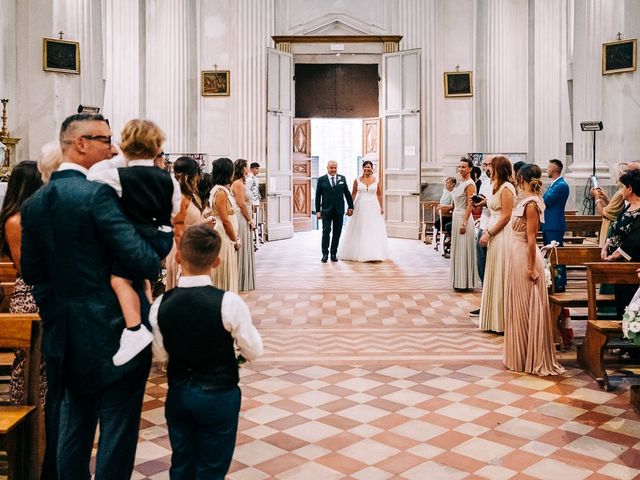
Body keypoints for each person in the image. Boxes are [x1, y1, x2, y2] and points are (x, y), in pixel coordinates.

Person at [21, 113, 162, 479]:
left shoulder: (34, 203)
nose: (113, 147)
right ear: (80, 143)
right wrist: (158, 237)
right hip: (115, 331)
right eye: (104, 139)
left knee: (73, 430)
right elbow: (142, 258)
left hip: (64, 337)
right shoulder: (97, 195)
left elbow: (34, 274)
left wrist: (58, 316)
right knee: (116, 432)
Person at [150, 224, 263, 478]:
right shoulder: (229, 303)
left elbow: (159, 354)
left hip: (179, 392)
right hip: (219, 393)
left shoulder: (161, 305)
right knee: (212, 466)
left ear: (179, 257)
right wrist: (237, 358)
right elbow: (254, 349)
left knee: (181, 462)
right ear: (217, 262)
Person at [87, 119, 180, 367]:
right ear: (156, 147)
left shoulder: (118, 175)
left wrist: (119, 159)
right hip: (163, 237)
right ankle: (151, 319)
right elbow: (175, 208)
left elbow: (93, 176)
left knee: (119, 279)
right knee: (141, 278)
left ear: (124, 145)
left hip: (140, 236)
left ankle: (134, 329)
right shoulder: (168, 179)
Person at [504, 164, 564, 376]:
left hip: (525, 256)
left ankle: (531, 356)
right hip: (516, 253)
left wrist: (531, 267)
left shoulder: (532, 204)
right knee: (518, 306)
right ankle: (520, 355)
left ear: (521, 178)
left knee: (526, 306)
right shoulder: (524, 200)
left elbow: (532, 238)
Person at [1, 162, 46, 406]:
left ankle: (44, 422)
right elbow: (25, 266)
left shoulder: (31, 216)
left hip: (39, 290)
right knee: (29, 364)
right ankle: (28, 421)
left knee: (43, 367)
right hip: (30, 294)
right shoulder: (15, 220)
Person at [478, 156, 516, 332]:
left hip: (502, 235)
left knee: (501, 273)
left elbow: (506, 215)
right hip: (493, 231)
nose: (488, 169)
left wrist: (490, 232)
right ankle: (493, 319)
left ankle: (502, 320)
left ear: (498, 169)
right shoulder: (497, 186)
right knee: (493, 272)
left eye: (490, 167)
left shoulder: (507, 188)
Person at [165, 156, 209, 291]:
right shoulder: (181, 198)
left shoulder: (190, 196)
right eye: (197, 173)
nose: (199, 177)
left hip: (191, 245)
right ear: (192, 175)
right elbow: (176, 227)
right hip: (182, 248)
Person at [601, 169, 640, 316]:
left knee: (630, 304)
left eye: (623, 186)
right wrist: (606, 246)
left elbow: (635, 239)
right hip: (618, 265)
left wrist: (615, 255)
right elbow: (616, 228)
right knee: (621, 302)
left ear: (630, 188)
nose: (621, 190)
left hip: (631, 263)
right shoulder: (628, 207)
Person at [337, 160, 389, 262]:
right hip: (360, 206)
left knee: (372, 229)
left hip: (373, 206)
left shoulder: (377, 180)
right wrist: (350, 207)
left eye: (369, 167)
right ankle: (356, 251)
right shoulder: (357, 180)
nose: (367, 169)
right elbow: (353, 193)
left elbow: (379, 194)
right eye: (365, 167)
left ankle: (374, 253)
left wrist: (381, 207)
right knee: (359, 228)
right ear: (363, 168)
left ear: (372, 168)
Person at [210, 157, 240, 292]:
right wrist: (235, 240)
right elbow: (226, 221)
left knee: (229, 268)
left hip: (227, 234)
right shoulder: (220, 192)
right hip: (224, 235)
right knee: (224, 269)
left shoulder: (222, 190)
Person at [592, 161, 640, 245]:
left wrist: (596, 197)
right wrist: (605, 197)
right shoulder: (623, 191)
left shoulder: (621, 192)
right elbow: (615, 208)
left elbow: (605, 213)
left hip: (610, 227)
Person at [315, 160, 354, 263]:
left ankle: (333, 254)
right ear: (327, 168)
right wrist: (318, 211)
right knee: (326, 232)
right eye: (331, 168)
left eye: (335, 168)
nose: (333, 170)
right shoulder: (321, 179)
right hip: (326, 211)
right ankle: (324, 254)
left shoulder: (342, 178)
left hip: (339, 211)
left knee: (337, 233)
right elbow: (317, 196)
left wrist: (351, 207)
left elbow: (347, 193)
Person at [450, 158, 479, 291]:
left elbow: (470, 205)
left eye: (463, 167)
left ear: (470, 169)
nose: (460, 169)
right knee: (458, 249)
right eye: (459, 166)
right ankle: (458, 281)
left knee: (464, 249)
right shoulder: (460, 183)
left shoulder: (470, 184)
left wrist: (464, 221)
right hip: (456, 216)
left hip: (463, 218)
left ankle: (465, 282)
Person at [542, 159, 569, 291]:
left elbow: (546, 200)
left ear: (553, 169)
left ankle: (559, 282)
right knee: (550, 255)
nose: (547, 169)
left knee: (556, 254)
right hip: (549, 224)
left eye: (548, 167)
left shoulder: (561, 185)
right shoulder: (555, 184)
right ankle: (552, 280)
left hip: (554, 224)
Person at [231, 159, 256, 291]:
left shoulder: (241, 182)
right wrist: (250, 220)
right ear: (243, 169)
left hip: (245, 216)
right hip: (241, 218)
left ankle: (243, 280)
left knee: (246, 245)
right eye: (247, 166)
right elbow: (241, 204)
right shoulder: (238, 183)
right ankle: (240, 280)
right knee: (242, 246)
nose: (248, 168)